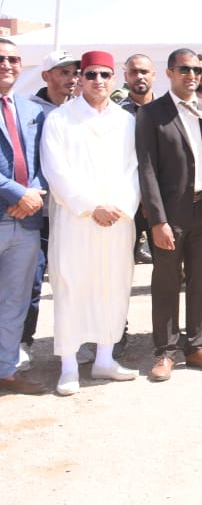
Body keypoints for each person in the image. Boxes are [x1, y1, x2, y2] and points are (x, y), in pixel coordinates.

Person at [41, 51, 139, 395]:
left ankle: (105, 359)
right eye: (92, 74)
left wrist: (120, 207)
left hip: (117, 221)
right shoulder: (60, 119)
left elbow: (133, 169)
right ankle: (68, 366)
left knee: (113, 286)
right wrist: (91, 206)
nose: (98, 81)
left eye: (105, 75)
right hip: (76, 220)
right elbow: (56, 170)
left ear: (114, 79)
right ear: (80, 78)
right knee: (72, 287)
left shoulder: (125, 121)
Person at [136, 48, 202, 381]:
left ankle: (197, 346)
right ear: (169, 73)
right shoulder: (151, 113)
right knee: (166, 281)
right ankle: (165, 352)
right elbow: (147, 169)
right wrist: (157, 220)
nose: (193, 75)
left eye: (197, 70)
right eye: (184, 69)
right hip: (171, 213)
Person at [21, 49, 78, 370]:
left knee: (75, 279)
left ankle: (78, 341)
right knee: (31, 280)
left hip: (74, 212)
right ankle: (23, 342)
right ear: (46, 76)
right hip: (38, 213)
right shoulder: (29, 110)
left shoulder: (81, 109)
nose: (71, 78)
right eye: (63, 72)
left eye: (74, 72)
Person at [0, 39, 47, 395]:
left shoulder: (33, 109)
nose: (7, 65)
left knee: (15, 301)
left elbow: (47, 160)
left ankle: (5, 370)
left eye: (14, 59)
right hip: (10, 210)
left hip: (27, 222)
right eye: (1, 58)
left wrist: (34, 192)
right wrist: (19, 194)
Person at [120, 53, 156, 267]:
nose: (139, 76)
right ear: (126, 76)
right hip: (125, 200)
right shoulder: (114, 113)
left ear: (153, 75)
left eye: (144, 71)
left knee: (167, 265)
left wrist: (151, 198)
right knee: (119, 264)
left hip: (159, 201)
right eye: (133, 72)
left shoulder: (168, 111)